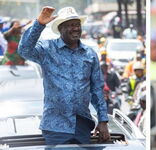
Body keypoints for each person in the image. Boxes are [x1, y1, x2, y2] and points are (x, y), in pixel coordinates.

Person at [18, 6, 110, 145]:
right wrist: (39, 24)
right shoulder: (47, 49)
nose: (75, 28)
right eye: (70, 25)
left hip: (82, 126)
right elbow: (24, 50)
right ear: (60, 29)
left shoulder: (90, 54)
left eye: (77, 25)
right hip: (56, 126)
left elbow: (97, 89)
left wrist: (103, 121)